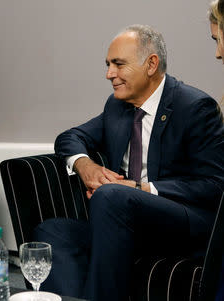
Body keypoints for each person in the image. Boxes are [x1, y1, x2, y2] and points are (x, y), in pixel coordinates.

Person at [34, 25, 224, 301]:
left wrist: (141, 189)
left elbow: (213, 186)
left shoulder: (194, 107)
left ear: (151, 64)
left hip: (183, 223)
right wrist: (85, 165)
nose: (109, 74)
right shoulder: (117, 107)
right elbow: (70, 137)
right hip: (123, 222)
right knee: (52, 231)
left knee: (113, 194)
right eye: (108, 65)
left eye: (118, 64)